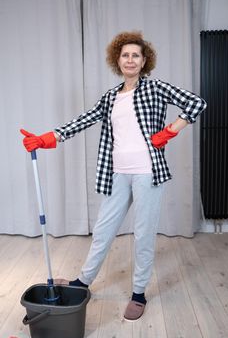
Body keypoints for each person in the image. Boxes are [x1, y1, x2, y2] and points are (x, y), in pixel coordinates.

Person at [21, 31, 206, 321]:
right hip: (117, 173)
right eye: (125, 55)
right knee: (104, 230)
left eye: (136, 55)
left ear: (144, 61)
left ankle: (138, 293)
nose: (130, 60)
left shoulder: (155, 88)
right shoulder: (110, 97)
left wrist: (170, 130)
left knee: (143, 235)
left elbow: (196, 103)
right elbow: (84, 119)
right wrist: (50, 137)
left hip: (147, 172)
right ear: (117, 60)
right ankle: (83, 281)